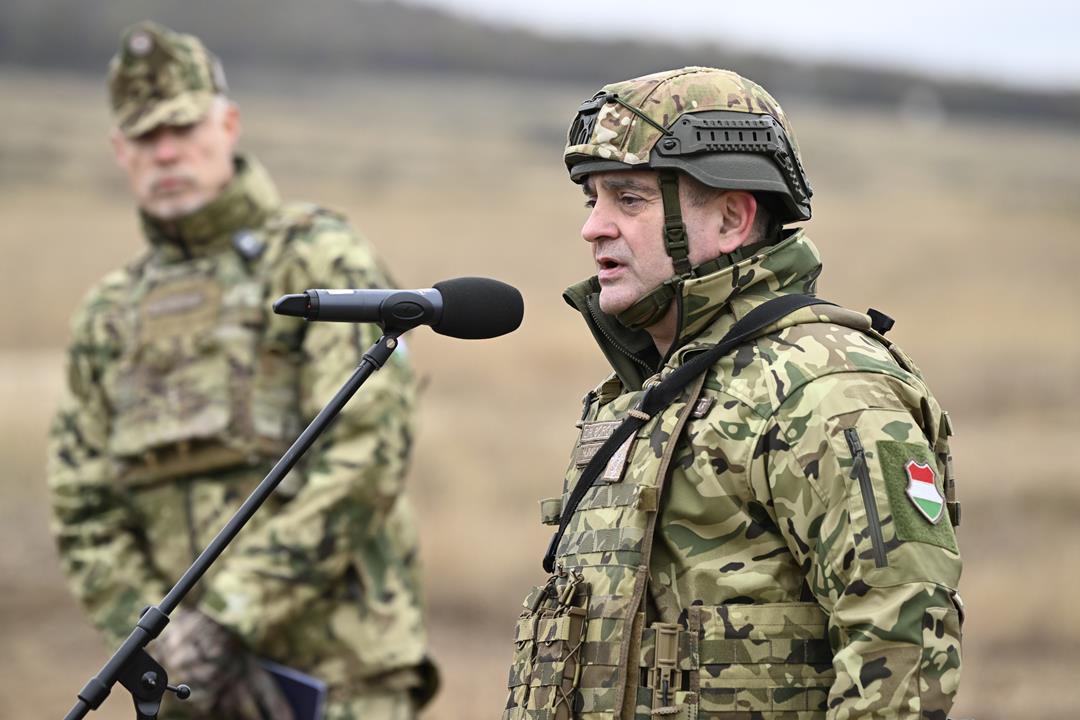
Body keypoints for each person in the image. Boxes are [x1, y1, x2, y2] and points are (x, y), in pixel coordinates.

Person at [502, 67, 963, 719]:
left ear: (731, 217)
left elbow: (904, 638)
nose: (594, 227)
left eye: (628, 200)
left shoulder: (824, 387)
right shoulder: (639, 394)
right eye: (593, 201)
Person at [46, 21, 437, 720]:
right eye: (143, 137)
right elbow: (84, 511)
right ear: (118, 152)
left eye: (182, 128)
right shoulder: (108, 315)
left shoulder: (319, 260)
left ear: (228, 124)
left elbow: (366, 452)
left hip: (335, 679)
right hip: (183, 691)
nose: (165, 152)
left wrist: (229, 616)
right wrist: (159, 645)